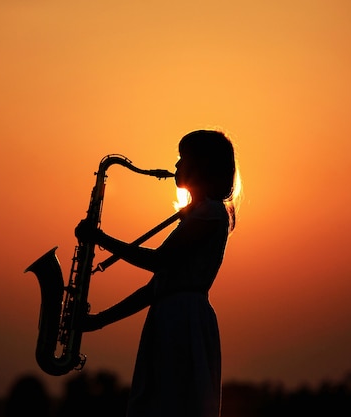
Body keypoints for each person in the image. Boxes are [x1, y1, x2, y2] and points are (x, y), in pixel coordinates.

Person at [75, 130, 239, 417]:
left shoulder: (211, 213)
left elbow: (159, 261)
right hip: (171, 317)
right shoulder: (198, 213)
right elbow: (154, 288)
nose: (175, 166)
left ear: (201, 165)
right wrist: (97, 321)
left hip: (182, 320)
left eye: (182, 158)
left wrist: (99, 239)